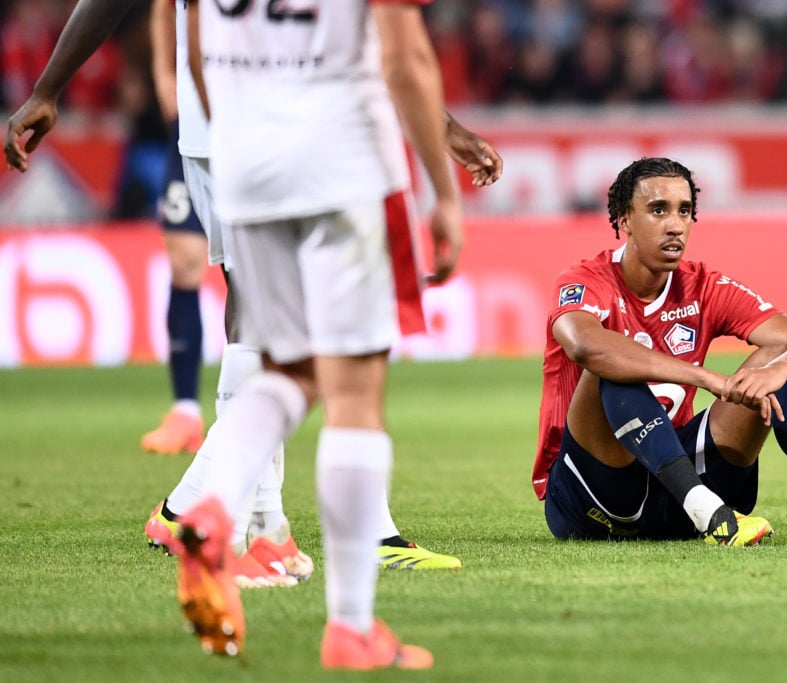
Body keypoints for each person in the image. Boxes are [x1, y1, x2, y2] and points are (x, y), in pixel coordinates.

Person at [5, 0, 502, 585]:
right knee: (333, 340)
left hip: (230, 129)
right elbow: (389, 45)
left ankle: (236, 519)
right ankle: (304, 529)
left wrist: (48, 88)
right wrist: (440, 159)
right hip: (294, 135)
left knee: (271, 325)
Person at [172, 0, 461, 667]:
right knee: (355, 391)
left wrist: (248, 142)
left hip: (247, 162)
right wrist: (443, 194)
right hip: (343, 162)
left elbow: (194, 50)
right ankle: (351, 627)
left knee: (288, 371)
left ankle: (214, 513)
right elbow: (405, 58)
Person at [534, 156, 787, 546]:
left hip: (675, 490)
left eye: (684, 211)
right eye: (658, 210)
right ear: (623, 220)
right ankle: (710, 514)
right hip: (591, 499)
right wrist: (704, 377)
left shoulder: (704, 285)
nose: (675, 225)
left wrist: (779, 370)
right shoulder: (585, 281)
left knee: (779, 359)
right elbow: (587, 346)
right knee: (612, 366)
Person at [139, 0, 209, 456]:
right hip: (194, 128)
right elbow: (165, 6)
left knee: (250, 274)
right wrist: (165, 74)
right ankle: (185, 411)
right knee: (184, 262)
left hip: (256, 119)